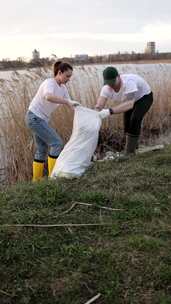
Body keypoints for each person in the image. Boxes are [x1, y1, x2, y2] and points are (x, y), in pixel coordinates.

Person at [25, 61, 79, 181]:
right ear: (59, 73)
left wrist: (82, 110)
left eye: (70, 76)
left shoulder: (63, 88)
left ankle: (36, 182)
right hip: (34, 118)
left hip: (40, 119)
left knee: (42, 149)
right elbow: (48, 96)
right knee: (57, 143)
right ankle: (53, 179)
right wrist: (66, 102)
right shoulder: (49, 83)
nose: (69, 79)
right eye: (67, 76)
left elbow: (70, 103)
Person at [95, 66, 153, 159]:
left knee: (135, 119)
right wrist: (94, 113)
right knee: (127, 123)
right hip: (129, 100)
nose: (111, 85)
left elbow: (129, 104)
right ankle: (133, 148)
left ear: (118, 77)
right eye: (108, 83)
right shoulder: (106, 88)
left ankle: (129, 153)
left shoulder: (129, 83)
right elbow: (99, 104)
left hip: (144, 97)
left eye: (113, 82)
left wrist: (109, 111)